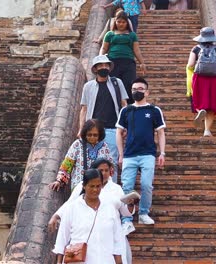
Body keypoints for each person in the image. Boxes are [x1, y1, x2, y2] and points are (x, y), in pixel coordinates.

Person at [48, 158, 136, 264]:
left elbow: (117, 241)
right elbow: (62, 238)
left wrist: (131, 204)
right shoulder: (73, 208)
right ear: (84, 186)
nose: (95, 190)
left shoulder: (114, 197)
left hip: (105, 257)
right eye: (92, 186)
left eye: (98, 186)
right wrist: (55, 216)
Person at [116, 77, 166, 229]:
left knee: (146, 185)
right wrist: (121, 154)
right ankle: (126, 219)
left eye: (140, 89)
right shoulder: (126, 110)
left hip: (148, 154)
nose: (136, 92)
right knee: (126, 188)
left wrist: (162, 153)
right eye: (134, 89)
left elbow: (161, 133)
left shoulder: (154, 110)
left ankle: (144, 213)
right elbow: (119, 132)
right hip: (130, 155)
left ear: (147, 92)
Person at [79, 55, 129, 183]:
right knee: (92, 162)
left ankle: (112, 190)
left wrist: (126, 126)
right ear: (95, 69)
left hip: (113, 129)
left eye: (106, 65)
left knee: (111, 163)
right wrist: (81, 129)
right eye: (101, 65)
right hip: (93, 132)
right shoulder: (88, 86)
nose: (104, 67)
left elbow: (124, 105)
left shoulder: (117, 83)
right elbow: (84, 109)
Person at [186, 27, 216, 137]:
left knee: (200, 100)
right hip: (214, 79)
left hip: (199, 79)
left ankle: (200, 110)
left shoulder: (195, 49)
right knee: (212, 106)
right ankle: (207, 130)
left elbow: (190, 64)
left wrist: (191, 71)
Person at [49, 119, 113, 191]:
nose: (92, 137)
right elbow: (67, 165)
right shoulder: (77, 145)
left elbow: (110, 169)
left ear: (100, 135)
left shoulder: (104, 147)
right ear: (85, 134)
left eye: (95, 135)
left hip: (99, 189)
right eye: (89, 135)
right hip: (79, 187)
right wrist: (59, 181)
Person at [100, 10, 146, 104]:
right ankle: (113, 104)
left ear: (127, 23)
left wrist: (142, 62)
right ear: (115, 22)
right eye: (119, 22)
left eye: (123, 22)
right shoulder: (110, 34)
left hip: (128, 62)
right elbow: (104, 48)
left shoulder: (132, 35)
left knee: (129, 84)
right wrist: (100, 60)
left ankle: (129, 105)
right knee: (113, 83)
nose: (121, 24)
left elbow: (136, 50)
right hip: (113, 62)